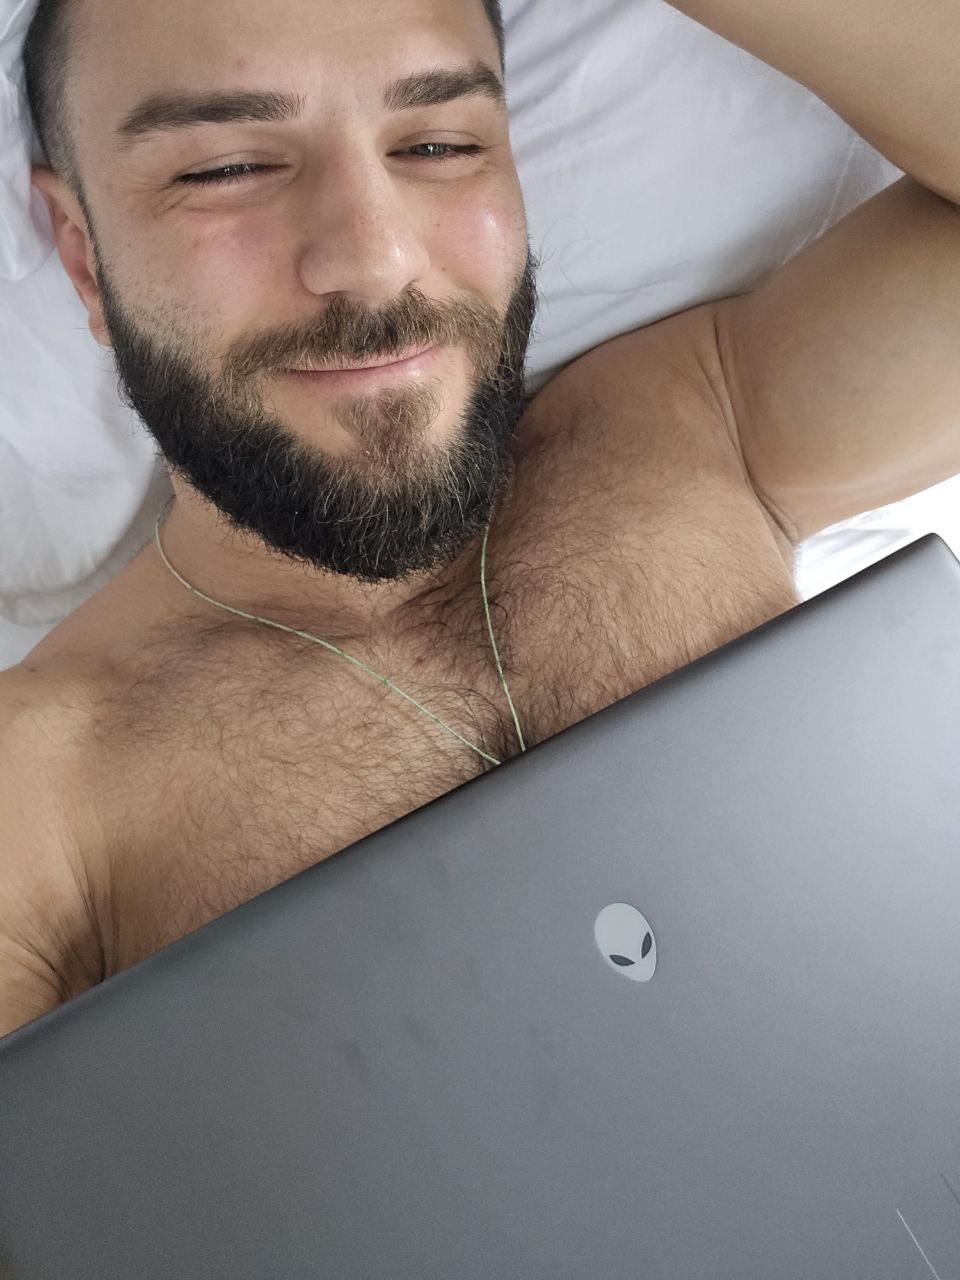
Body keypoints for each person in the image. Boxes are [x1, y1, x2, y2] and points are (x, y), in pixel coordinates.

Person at [1, 0, 958, 1039]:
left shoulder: (687, 423)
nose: (376, 258)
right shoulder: (41, 791)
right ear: (85, 259)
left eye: (439, 145)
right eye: (226, 168)